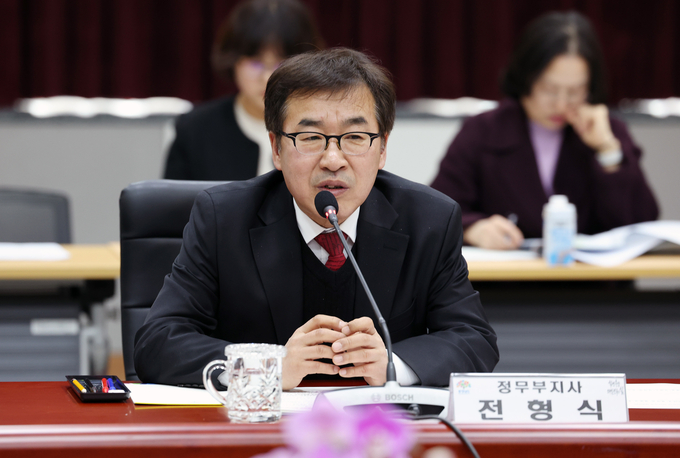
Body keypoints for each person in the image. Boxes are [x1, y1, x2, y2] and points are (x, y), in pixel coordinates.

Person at [135, 48, 499, 390]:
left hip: (379, 427)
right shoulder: (223, 218)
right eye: (310, 137)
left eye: (355, 137)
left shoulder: (428, 220)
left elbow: (474, 339)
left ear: (382, 148)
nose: (333, 160)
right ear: (277, 148)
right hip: (260, 423)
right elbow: (158, 343)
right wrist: (269, 366)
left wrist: (392, 364)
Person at [431, 11, 659, 250]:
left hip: (588, 273)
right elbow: (436, 213)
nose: (561, 104)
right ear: (525, 79)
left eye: (575, 92)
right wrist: (473, 228)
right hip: (510, 273)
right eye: (550, 90)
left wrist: (608, 152)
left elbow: (641, 226)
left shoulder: (607, 130)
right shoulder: (483, 130)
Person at [163, 0, 323, 181]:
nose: (268, 78)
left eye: (281, 63)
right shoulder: (194, 130)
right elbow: (174, 198)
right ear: (233, 60)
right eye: (256, 63)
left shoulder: (324, 127)